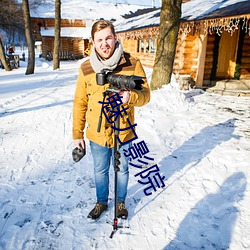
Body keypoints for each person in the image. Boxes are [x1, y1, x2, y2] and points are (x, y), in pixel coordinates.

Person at [72, 20, 150, 220]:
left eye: (108, 38)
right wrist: (77, 134)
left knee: (122, 168)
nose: (104, 43)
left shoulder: (132, 63)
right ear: (93, 42)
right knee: (100, 170)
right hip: (97, 133)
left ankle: (121, 202)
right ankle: (101, 202)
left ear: (115, 38)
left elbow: (146, 95)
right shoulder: (86, 68)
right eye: (99, 40)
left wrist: (130, 97)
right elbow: (80, 102)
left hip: (123, 131)